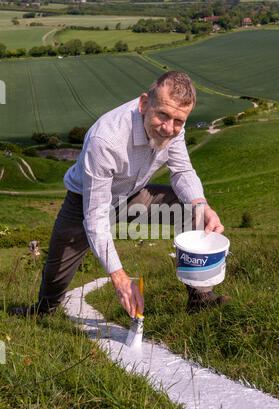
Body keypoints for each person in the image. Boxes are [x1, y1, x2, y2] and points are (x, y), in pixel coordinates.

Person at [10, 71, 230, 318]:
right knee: (56, 272)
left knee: (194, 211)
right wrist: (120, 278)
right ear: (144, 103)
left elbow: (181, 171)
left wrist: (202, 204)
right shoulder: (105, 139)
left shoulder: (174, 125)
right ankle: (42, 312)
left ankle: (199, 297)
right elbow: (95, 216)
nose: (169, 128)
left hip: (134, 194)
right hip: (86, 200)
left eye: (179, 121)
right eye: (163, 116)